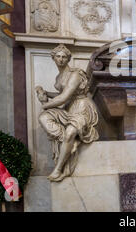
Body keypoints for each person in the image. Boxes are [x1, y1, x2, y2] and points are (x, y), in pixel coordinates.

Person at [36, 44, 99, 181]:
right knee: (44, 117)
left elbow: (64, 97)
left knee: (70, 132)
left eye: (64, 57)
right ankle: (67, 141)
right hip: (69, 108)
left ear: (68, 59)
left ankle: (58, 169)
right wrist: (45, 93)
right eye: (58, 56)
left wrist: (45, 105)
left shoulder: (75, 74)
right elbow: (61, 95)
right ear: (53, 58)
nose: (61, 59)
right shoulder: (59, 78)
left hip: (82, 107)